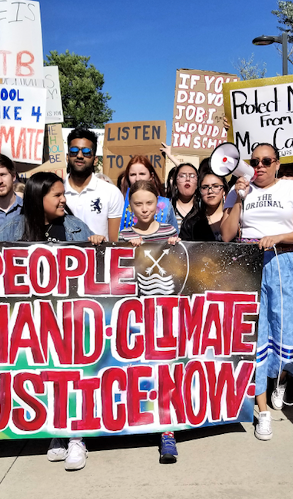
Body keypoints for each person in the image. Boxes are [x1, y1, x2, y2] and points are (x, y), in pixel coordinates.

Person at [0, 172, 104, 472]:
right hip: (30, 321)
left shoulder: (75, 227)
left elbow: (99, 269)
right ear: (37, 197)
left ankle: (77, 437)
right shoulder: (12, 229)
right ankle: (55, 431)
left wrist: (97, 244)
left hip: (70, 319)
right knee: (44, 378)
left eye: (63, 194)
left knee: (73, 377)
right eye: (57, 195)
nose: (63, 200)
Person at [220, 143, 293, 441]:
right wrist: (238, 199)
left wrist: (277, 236)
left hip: (285, 263)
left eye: (266, 161)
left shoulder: (289, 188)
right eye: (254, 161)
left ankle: (281, 379)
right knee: (256, 337)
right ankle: (262, 411)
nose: (259, 166)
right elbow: (226, 234)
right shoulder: (239, 190)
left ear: (277, 164)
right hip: (249, 265)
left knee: (290, 330)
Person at [117, 178, 180, 463]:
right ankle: (135, 419)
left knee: (164, 371)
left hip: (165, 315)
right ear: (130, 207)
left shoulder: (169, 231)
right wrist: (124, 249)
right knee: (136, 370)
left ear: (159, 204)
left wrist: (177, 247)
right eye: (138, 204)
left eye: (149, 203)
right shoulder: (123, 235)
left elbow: (182, 267)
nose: (144, 209)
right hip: (133, 316)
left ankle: (167, 431)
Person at [62, 127, 124, 241]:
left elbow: (114, 242)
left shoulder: (111, 193)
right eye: (74, 151)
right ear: (67, 156)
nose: (79, 155)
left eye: (86, 152)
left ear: (95, 160)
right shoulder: (56, 192)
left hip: (99, 252)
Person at [119, 156, 178, 231]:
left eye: (142, 174)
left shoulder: (166, 205)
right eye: (133, 174)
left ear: (151, 176)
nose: (137, 178)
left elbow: (175, 235)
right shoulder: (120, 203)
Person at [179, 169, 228, 242]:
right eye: (205, 187)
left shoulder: (234, 215)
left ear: (224, 190)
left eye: (215, 186)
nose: (210, 191)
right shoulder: (191, 222)